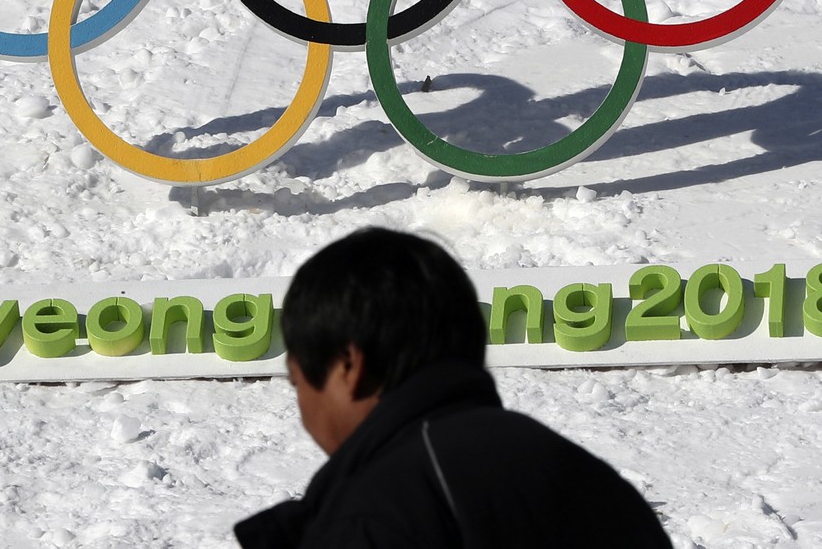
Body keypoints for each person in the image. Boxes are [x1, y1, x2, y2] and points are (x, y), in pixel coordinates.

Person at [235, 228, 672, 548]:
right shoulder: (593, 484)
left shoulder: (376, 516)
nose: (302, 410)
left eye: (297, 382)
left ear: (349, 366)